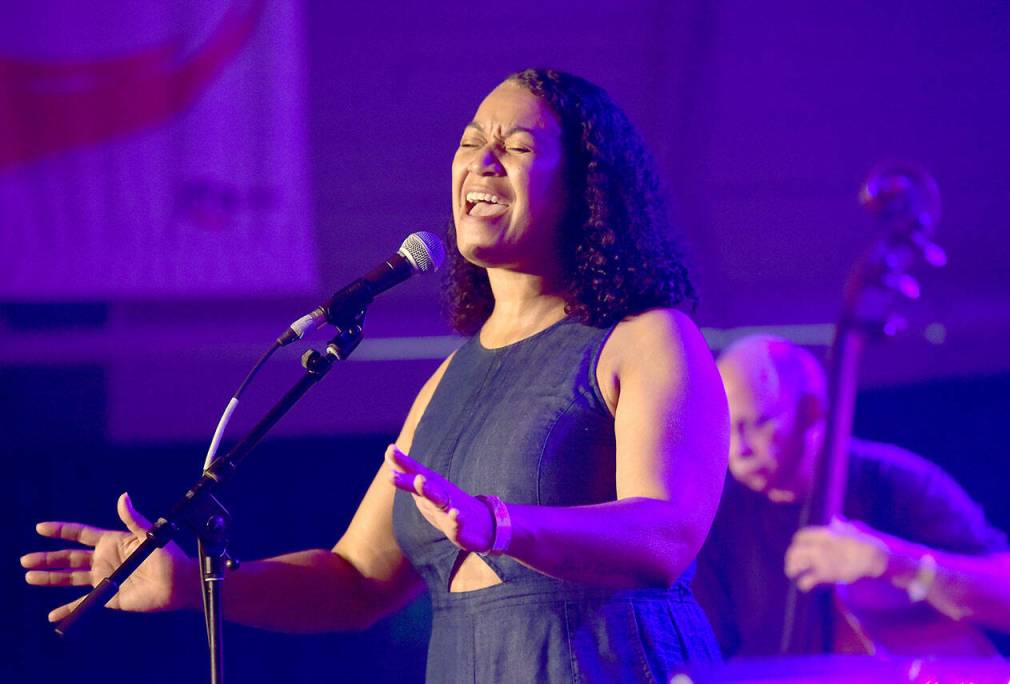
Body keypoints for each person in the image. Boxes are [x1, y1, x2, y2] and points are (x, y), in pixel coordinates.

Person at [23, 68, 730, 682]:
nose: (482, 161)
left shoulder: (645, 340)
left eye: (515, 148)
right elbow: (357, 579)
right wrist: (199, 585)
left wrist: (504, 525)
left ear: (586, 191)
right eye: (469, 141)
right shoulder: (447, 381)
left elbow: (666, 535)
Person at [694, 334, 1010, 659]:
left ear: (811, 411)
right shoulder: (719, 518)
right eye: (727, 426)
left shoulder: (896, 482)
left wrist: (893, 563)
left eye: (760, 422)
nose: (740, 449)